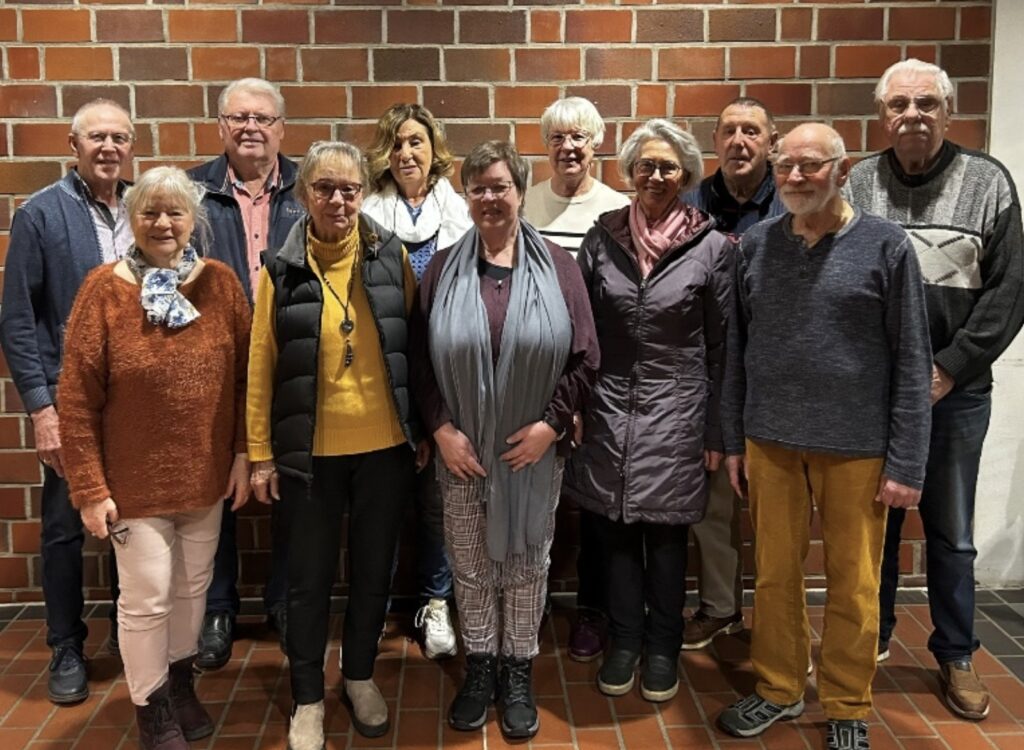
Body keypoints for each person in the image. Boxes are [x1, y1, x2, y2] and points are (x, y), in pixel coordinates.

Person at [717, 123, 933, 750]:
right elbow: (736, 351)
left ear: (843, 170)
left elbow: (912, 359)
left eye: (810, 165)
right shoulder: (756, 246)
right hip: (770, 441)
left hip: (858, 447)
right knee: (775, 577)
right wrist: (733, 439)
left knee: (855, 583)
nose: (795, 176)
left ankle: (846, 703)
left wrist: (907, 462)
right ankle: (780, 687)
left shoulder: (886, 246)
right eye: (785, 165)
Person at [847, 58, 1024, 721]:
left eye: (927, 103)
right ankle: (872, 640)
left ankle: (956, 653)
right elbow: (846, 281)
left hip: (958, 391)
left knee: (951, 531)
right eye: (899, 104)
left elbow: (1010, 290)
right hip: (879, 395)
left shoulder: (987, 182)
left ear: (948, 112)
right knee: (877, 526)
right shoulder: (860, 182)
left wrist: (949, 367)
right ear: (882, 115)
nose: (913, 115)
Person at [57, 166, 252, 750]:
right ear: (132, 219)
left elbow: (247, 380)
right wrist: (90, 489)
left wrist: (243, 454)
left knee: (193, 590)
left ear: (194, 220)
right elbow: (76, 397)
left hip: (206, 478)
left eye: (175, 212)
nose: (163, 223)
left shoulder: (219, 284)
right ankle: (151, 708)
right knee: (147, 599)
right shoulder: (103, 289)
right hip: (133, 486)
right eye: (149, 212)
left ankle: (180, 683)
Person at [410, 141, 598, 739]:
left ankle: (518, 670)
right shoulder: (443, 268)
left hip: (531, 451)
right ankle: (481, 667)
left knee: (526, 566)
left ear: (520, 191)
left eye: (500, 186)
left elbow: (585, 357)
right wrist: (441, 429)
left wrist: (551, 426)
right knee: (469, 566)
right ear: (465, 197)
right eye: (478, 188)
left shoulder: (559, 268)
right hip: (462, 452)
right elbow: (419, 359)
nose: (489, 197)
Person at [247, 141, 425, 746]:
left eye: (349, 189)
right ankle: (306, 698)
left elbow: (414, 347)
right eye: (324, 188)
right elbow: (262, 363)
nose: (338, 200)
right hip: (309, 454)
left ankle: (359, 675)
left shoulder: (391, 254)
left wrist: (420, 428)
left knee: (374, 571)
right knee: (308, 581)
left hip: (384, 448)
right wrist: (261, 452)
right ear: (304, 195)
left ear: (363, 194)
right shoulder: (281, 268)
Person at [562, 119, 732, 704]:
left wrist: (716, 429)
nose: (655, 176)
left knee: (665, 537)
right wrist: (576, 402)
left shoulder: (711, 247)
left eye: (668, 167)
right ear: (630, 172)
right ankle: (626, 640)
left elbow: (722, 347)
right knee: (612, 532)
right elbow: (580, 332)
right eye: (645, 166)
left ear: (686, 175)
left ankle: (662, 646)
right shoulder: (601, 238)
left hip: (679, 411)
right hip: (608, 408)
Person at [0, 99, 133, 706]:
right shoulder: (40, 215)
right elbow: (17, 319)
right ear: (72, 144)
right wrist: (41, 409)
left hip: (133, 402)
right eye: (96, 136)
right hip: (69, 401)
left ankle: (130, 631)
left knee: (134, 520)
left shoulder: (142, 207)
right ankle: (66, 645)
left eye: (119, 137)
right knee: (63, 528)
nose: (108, 147)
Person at [187, 77, 304, 668]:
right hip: (216, 363)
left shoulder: (309, 187)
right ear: (220, 126)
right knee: (217, 485)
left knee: (292, 484)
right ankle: (217, 607)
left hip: (292, 361)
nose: (251, 127)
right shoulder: (191, 193)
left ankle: (284, 600)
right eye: (239, 117)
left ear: (281, 128)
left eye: (262, 118)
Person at [521, 97, 629, 664]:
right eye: (558, 137)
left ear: (597, 144)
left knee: (594, 504)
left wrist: (583, 396)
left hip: (594, 377)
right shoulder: (525, 204)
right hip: (533, 376)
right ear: (545, 145)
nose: (568, 147)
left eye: (579, 137)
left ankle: (592, 610)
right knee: (530, 498)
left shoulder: (616, 210)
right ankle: (529, 602)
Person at [362, 103, 472, 660]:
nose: (406, 153)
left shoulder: (462, 215)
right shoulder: (366, 216)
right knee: (378, 506)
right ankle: (370, 609)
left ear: (434, 150)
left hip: (442, 381)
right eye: (397, 143)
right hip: (380, 382)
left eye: (417, 142)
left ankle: (435, 601)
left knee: (437, 506)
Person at [678, 98, 783, 651]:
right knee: (713, 502)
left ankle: (781, 623)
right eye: (729, 131)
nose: (739, 141)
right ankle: (720, 608)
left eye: (752, 131)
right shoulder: (689, 206)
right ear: (714, 141)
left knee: (779, 510)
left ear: (771, 141)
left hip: (775, 378)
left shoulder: (792, 201)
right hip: (711, 375)